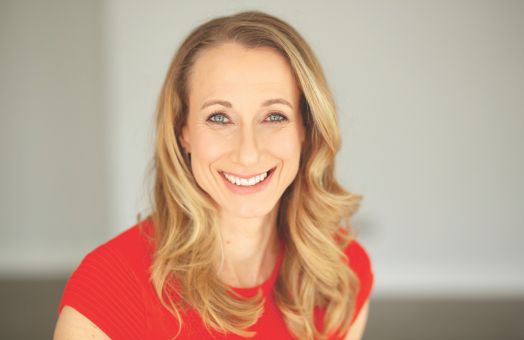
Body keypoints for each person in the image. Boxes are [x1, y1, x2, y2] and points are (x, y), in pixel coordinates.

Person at [53, 10, 374, 340]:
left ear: (305, 129)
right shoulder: (108, 289)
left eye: (275, 116)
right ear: (184, 131)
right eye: (220, 118)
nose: (248, 152)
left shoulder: (342, 274)